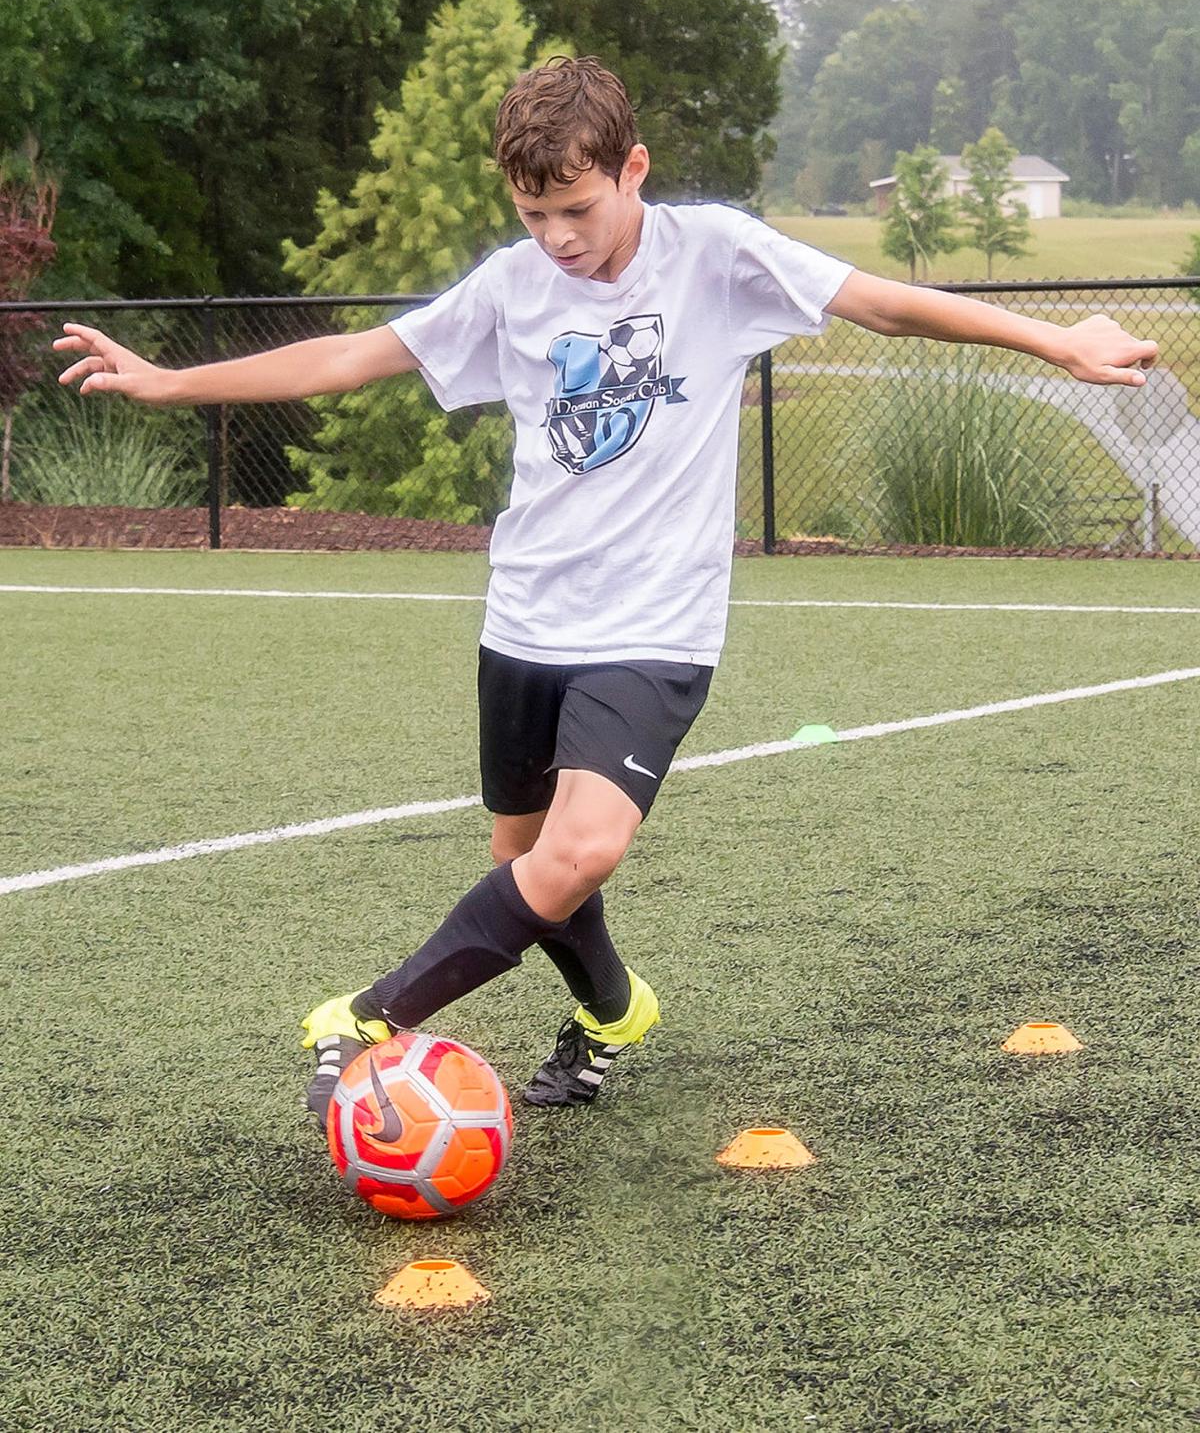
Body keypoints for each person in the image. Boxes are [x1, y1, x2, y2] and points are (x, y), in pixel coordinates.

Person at [54, 57, 1158, 1120]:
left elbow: (884, 304)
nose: (559, 239)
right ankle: (617, 1017)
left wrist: (1055, 341)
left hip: (656, 625)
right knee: (531, 873)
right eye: (535, 216)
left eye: (577, 209)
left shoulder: (716, 256)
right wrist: (169, 382)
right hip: (526, 615)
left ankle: (368, 1018)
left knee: (579, 852)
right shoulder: (511, 285)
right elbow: (351, 357)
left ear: (633, 169)